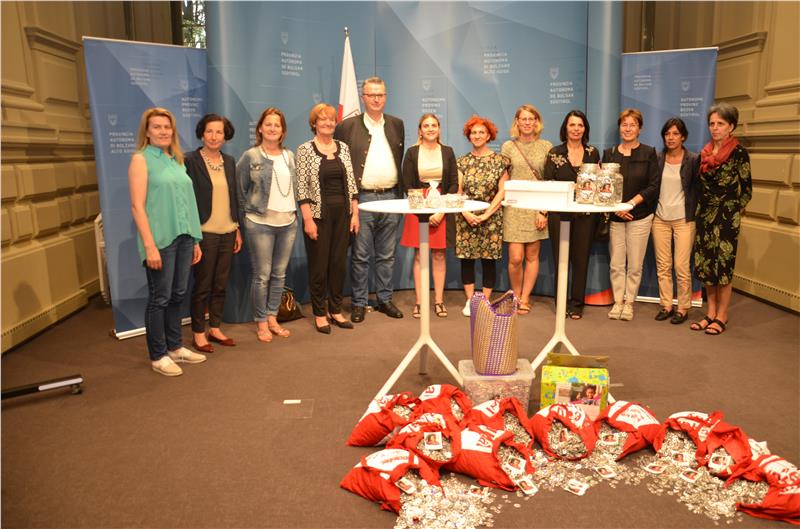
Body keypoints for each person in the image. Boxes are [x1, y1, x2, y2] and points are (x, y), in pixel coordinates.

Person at [128, 107, 205, 376]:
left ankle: (175, 347)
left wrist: (195, 240)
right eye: (157, 127)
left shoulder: (177, 160)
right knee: (159, 298)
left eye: (167, 127)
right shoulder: (141, 159)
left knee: (178, 294)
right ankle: (158, 355)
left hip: (184, 237)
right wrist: (149, 246)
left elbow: (187, 203)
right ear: (147, 132)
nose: (163, 131)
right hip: (160, 240)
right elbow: (137, 206)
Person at [334, 76, 405, 323]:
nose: (376, 99)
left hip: (392, 197)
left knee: (387, 255)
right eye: (371, 95)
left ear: (386, 97)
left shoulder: (397, 124)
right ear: (363, 97)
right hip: (362, 199)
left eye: (380, 95)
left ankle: (385, 299)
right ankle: (359, 302)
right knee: (361, 255)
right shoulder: (347, 126)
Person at [236, 108, 298, 343]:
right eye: (268, 124)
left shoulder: (289, 156)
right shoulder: (251, 156)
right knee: (262, 276)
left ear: (283, 131)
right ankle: (261, 322)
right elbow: (240, 190)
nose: (273, 128)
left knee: (279, 274)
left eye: (277, 125)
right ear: (260, 128)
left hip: (288, 223)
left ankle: (273, 318)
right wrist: (247, 217)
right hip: (259, 224)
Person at [297, 103, 360, 334]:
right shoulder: (305, 149)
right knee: (319, 267)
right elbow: (301, 188)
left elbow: (351, 183)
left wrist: (355, 214)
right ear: (314, 123)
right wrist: (308, 220)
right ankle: (319, 314)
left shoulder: (343, 147)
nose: (328, 123)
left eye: (331, 119)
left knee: (338, 265)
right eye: (322, 119)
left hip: (343, 215)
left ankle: (335, 310)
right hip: (318, 217)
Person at [691, 103, 752, 335]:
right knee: (707, 266)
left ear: (731, 127)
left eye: (720, 124)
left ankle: (722, 315)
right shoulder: (705, 153)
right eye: (712, 123)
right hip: (705, 216)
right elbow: (699, 186)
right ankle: (710, 313)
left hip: (726, 218)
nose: (715, 128)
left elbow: (747, 190)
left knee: (723, 267)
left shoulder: (739, 153)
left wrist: (733, 210)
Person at [184, 114, 242, 353]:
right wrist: (192, 236)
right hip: (204, 233)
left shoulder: (229, 161)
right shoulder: (190, 160)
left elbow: (233, 196)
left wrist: (237, 227)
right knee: (203, 285)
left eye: (219, 132)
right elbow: (186, 200)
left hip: (228, 231)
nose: (214, 136)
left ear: (225, 136)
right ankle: (198, 333)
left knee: (221, 284)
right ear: (202, 133)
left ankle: (215, 328)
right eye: (209, 131)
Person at [603, 108, 660, 321]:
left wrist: (630, 204)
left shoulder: (649, 153)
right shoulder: (609, 154)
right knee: (616, 263)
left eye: (632, 125)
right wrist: (617, 208)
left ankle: (629, 303)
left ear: (640, 128)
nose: (628, 129)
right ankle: (618, 301)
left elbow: (653, 185)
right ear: (620, 127)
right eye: (624, 124)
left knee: (635, 265)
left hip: (641, 216)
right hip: (616, 215)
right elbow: (604, 186)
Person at [543, 110, 601, 319]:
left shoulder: (593, 153)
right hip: (559, 213)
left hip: (586, 213)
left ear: (585, 129)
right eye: (572, 125)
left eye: (580, 125)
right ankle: (561, 302)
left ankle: (577, 304)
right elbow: (548, 183)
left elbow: (598, 182)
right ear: (565, 128)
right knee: (560, 259)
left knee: (581, 258)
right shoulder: (554, 153)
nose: (576, 129)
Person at [400, 113, 458, 318]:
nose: (430, 129)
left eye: (434, 125)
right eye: (426, 125)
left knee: (439, 255)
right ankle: (419, 302)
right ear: (420, 130)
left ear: (439, 129)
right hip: (418, 205)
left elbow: (453, 183)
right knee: (420, 254)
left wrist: (441, 211)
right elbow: (407, 184)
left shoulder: (448, 151)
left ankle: (439, 301)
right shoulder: (412, 152)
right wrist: (424, 210)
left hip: (442, 204)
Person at [455, 116, 510, 316]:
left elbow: (502, 191)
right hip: (465, 217)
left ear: (488, 136)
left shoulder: (500, 161)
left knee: (489, 261)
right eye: (473, 133)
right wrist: (466, 213)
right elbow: (458, 191)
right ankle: (470, 301)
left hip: (492, 217)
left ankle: (484, 301)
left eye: (481, 132)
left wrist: (486, 215)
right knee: (467, 260)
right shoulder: (462, 161)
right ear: (469, 136)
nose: (477, 136)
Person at [501, 104, 552, 315]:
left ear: (537, 122)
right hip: (514, 207)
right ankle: (515, 294)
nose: (527, 123)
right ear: (517, 122)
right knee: (515, 258)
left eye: (531, 119)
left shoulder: (546, 146)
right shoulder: (508, 147)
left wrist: (543, 210)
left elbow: (549, 181)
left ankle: (525, 298)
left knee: (532, 256)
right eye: (523, 119)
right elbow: (504, 178)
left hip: (536, 208)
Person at [652, 118, 699, 325]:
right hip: (660, 218)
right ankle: (666, 305)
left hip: (684, 219)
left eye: (675, 134)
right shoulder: (657, 158)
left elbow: (698, 189)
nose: (670, 138)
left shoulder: (693, 159)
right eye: (667, 134)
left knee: (681, 266)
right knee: (663, 265)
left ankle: (682, 308)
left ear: (683, 137)